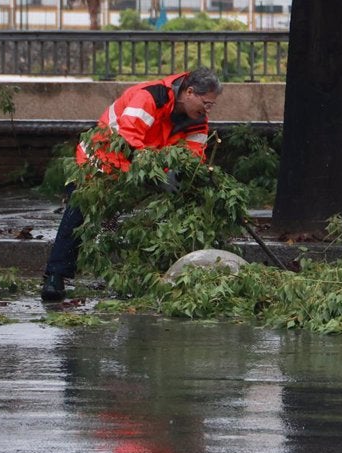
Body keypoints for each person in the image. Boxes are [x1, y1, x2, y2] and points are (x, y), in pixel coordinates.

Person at [41, 67, 220, 301]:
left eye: (211, 105)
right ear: (189, 92)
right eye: (206, 103)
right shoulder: (150, 97)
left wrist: (180, 175)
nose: (207, 110)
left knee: (144, 217)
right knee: (78, 213)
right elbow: (128, 141)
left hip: (138, 168)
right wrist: (159, 175)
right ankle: (55, 277)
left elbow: (193, 157)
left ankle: (147, 276)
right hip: (99, 160)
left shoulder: (197, 122)